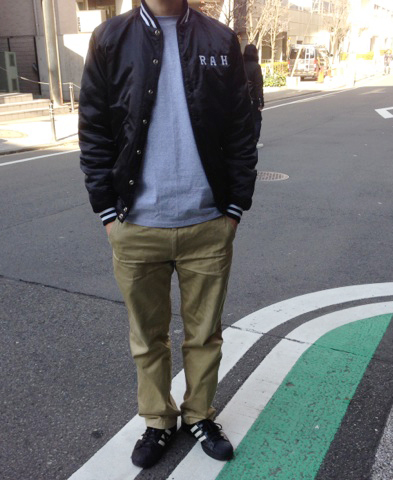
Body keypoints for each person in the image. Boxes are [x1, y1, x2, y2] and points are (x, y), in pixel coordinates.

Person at [78, 0, 257, 470]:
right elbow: (94, 128)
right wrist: (107, 212)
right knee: (147, 336)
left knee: (205, 335)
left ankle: (199, 414)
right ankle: (158, 420)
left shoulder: (220, 39)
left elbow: (241, 127)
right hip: (136, 224)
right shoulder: (110, 39)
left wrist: (234, 207)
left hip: (208, 221)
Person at [243, 44, 264, 146]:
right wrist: (260, 100)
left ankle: (245, 141)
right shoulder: (256, 67)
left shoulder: (241, 65)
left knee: (244, 120)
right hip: (253, 99)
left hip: (242, 98)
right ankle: (254, 141)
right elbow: (258, 85)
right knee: (256, 119)